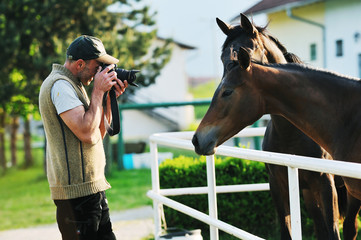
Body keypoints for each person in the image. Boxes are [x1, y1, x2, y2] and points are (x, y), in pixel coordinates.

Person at [39, 35, 128, 240]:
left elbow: (97, 134)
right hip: (76, 195)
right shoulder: (60, 86)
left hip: (91, 190)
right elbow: (86, 134)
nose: (100, 73)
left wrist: (107, 99)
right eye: (98, 67)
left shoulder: (74, 85)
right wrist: (97, 90)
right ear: (80, 64)